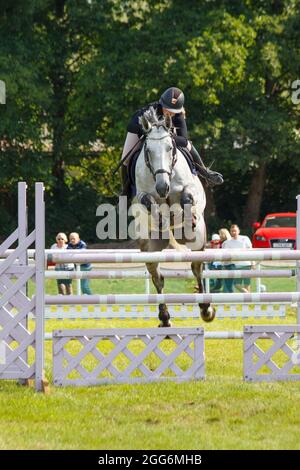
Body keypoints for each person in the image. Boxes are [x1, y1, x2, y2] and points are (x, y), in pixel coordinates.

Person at [120, 86, 223, 196]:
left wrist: (167, 137)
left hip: (165, 136)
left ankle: (205, 172)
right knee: (125, 159)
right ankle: (125, 195)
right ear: (161, 103)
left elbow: (183, 139)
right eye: (166, 108)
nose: (169, 112)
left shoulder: (178, 116)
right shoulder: (149, 111)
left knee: (188, 144)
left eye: (172, 111)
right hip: (138, 128)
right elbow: (144, 130)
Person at [222, 224, 253, 293]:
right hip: (236, 266)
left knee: (247, 284)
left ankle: (248, 301)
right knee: (236, 284)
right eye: (232, 231)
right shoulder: (227, 242)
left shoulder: (245, 238)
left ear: (238, 231)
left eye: (235, 231)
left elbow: (251, 251)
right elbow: (225, 255)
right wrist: (224, 264)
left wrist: (252, 263)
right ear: (230, 232)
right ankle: (249, 296)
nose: (233, 232)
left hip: (246, 264)